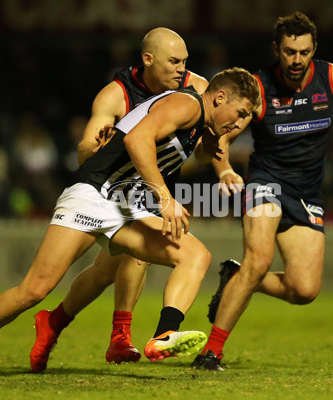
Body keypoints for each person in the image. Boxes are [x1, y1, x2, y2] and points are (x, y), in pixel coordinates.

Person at [0, 66, 260, 379]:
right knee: (34, 290)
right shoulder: (186, 104)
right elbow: (136, 139)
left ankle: (164, 334)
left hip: (125, 203)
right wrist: (166, 197)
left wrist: (225, 168)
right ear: (219, 98)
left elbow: (210, 148)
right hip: (93, 193)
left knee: (194, 255)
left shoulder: (202, 120)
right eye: (241, 113)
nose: (240, 124)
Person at [191, 12, 333, 371]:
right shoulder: (258, 88)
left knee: (304, 290)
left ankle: (237, 278)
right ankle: (211, 353)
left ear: (315, 50)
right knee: (259, 259)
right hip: (265, 182)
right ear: (276, 50)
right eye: (289, 52)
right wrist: (225, 169)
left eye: (304, 52)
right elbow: (220, 135)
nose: (297, 60)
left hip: (307, 193)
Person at [29, 27, 210, 371]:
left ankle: (54, 323)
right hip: (113, 191)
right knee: (130, 260)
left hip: (157, 188)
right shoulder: (115, 95)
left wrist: (221, 162)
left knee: (103, 272)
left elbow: (206, 144)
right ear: (148, 60)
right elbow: (85, 154)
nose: (181, 69)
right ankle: (119, 337)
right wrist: (94, 145)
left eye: (184, 62)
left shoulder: (195, 87)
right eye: (174, 61)